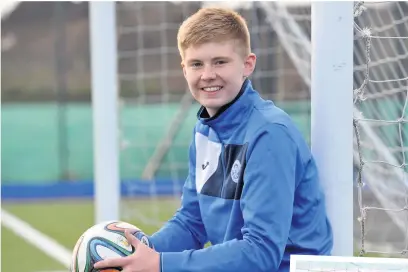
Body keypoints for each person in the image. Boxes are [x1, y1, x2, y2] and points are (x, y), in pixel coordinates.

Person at [94, 6, 333, 272]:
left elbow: (261, 252)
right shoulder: (205, 130)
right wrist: (139, 252)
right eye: (197, 64)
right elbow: (191, 222)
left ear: (248, 64)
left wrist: (161, 264)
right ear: (184, 70)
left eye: (220, 61)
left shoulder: (269, 133)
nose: (207, 74)